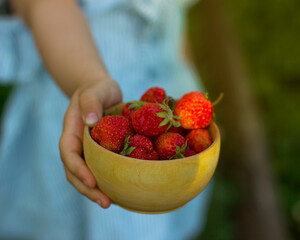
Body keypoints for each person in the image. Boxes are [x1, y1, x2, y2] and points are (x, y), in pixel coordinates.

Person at [0, 0, 212, 239]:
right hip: (76, 79)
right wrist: (89, 82)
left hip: (169, 93)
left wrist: (192, 98)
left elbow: (173, 17)